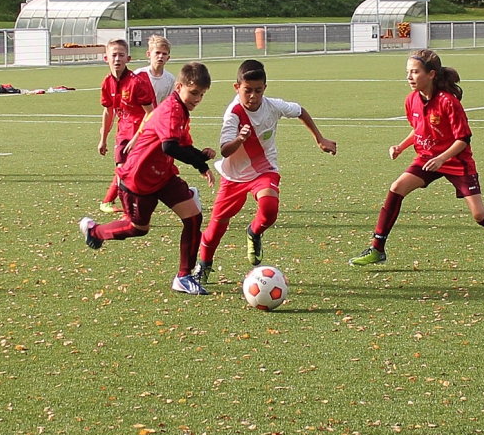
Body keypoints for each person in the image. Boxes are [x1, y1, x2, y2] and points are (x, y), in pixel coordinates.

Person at [350, 49, 484, 271]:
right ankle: (377, 248)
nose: (409, 77)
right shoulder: (411, 100)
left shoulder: (449, 102)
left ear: (431, 74)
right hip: (427, 159)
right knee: (397, 188)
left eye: (415, 72)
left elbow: (463, 139)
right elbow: (418, 129)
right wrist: (401, 146)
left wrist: (442, 158)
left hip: (456, 162)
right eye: (408, 72)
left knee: (479, 214)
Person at [193, 59, 337, 286]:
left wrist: (320, 139)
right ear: (236, 87)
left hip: (264, 170)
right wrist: (240, 138)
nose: (252, 96)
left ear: (264, 89)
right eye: (247, 90)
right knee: (214, 231)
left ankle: (254, 231)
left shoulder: (273, 105)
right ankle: (203, 265)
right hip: (234, 177)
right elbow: (224, 149)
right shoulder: (233, 114)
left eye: (258, 91)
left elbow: (300, 111)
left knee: (269, 209)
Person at [79, 62, 216, 295]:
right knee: (138, 228)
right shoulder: (172, 109)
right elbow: (170, 146)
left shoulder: (181, 110)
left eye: (201, 95)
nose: (197, 99)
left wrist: (200, 158)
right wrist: (198, 162)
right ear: (179, 86)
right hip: (137, 179)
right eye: (193, 93)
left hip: (163, 176)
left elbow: (181, 144)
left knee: (193, 218)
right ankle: (95, 232)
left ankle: (183, 277)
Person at [97, 39, 156, 214]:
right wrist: (103, 139)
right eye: (113, 55)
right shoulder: (106, 83)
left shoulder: (136, 82)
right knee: (124, 169)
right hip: (123, 132)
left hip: (142, 133)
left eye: (121, 55)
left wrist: (137, 137)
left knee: (136, 172)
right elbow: (108, 112)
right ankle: (121, 207)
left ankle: (122, 206)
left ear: (128, 58)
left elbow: (150, 113)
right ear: (106, 58)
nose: (117, 59)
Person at [136, 35, 176, 105]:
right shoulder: (138, 75)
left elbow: (168, 103)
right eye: (157, 53)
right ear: (148, 54)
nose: (160, 56)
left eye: (164, 54)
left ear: (168, 58)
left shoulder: (170, 79)